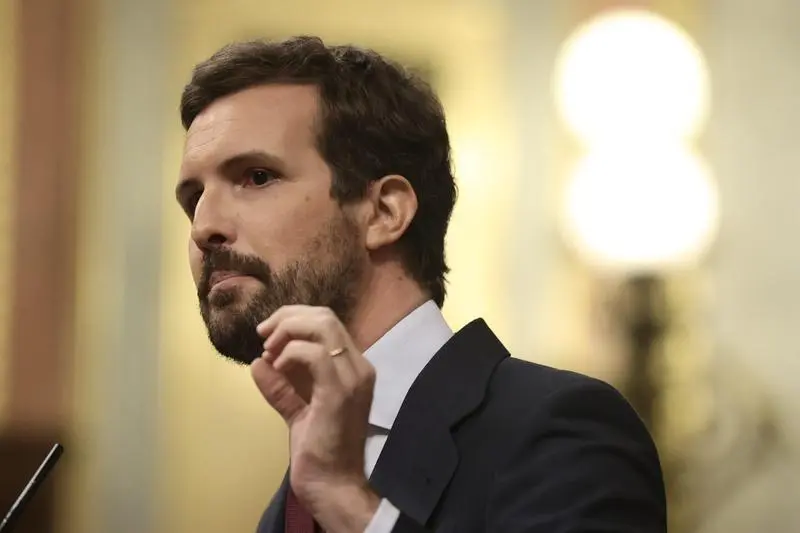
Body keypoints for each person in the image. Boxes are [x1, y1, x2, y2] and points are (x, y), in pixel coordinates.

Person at [175, 35, 667, 533]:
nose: (203, 227)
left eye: (257, 176)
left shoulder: (560, 431)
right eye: (193, 199)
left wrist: (346, 501)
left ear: (384, 212)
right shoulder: (285, 510)